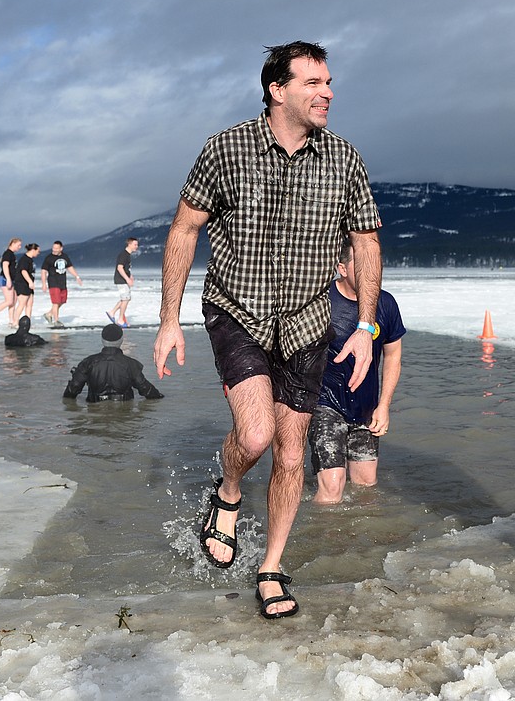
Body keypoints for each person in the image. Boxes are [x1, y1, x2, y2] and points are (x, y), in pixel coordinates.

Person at [154, 41, 382, 620]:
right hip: (239, 309)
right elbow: (184, 230)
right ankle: (227, 493)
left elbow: (367, 241)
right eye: (312, 82)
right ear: (277, 90)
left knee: (290, 453)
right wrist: (168, 319)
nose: (326, 91)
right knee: (254, 436)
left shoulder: (344, 159)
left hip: (307, 321)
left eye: (329, 82)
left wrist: (366, 326)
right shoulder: (225, 149)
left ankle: (271, 567)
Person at [308, 240, 405, 504]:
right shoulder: (322, 301)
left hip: (366, 408)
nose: (372, 270)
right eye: (362, 264)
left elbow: (393, 355)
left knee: (366, 487)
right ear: (342, 268)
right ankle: (322, 541)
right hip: (324, 403)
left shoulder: (385, 303)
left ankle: (361, 545)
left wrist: (383, 406)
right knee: (332, 488)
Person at [63, 323, 164, 402]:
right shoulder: (131, 364)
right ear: (121, 340)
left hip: (96, 413)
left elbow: (73, 390)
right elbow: (147, 390)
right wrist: (160, 396)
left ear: (102, 340)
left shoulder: (88, 362)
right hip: (124, 413)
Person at [40, 240, 83, 328]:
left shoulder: (65, 256)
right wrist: (43, 283)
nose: (54, 250)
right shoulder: (49, 258)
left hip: (62, 282)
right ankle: (56, 320)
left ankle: (49, 314)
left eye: (56, 248)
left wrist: (77, 276)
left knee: (62, 301)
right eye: (53, 248)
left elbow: (69, 267)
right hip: (53, 282)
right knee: (56, 302)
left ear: (61, 248)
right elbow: (43, 271)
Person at [0, 237, 22, 327]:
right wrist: (8, 279)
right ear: (13, 244)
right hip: (5, 280)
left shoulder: (12, 254)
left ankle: (11, 321)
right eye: (18, 245)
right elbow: (5, 266)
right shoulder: (8, 254)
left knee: (13, 301)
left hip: (12, 280)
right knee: (9, 301)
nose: (20, 247)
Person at [107, 237, 139, 326]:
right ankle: (120, 319)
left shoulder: (127, 255)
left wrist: (130, 276)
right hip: (121, 280)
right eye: (135, 244)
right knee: (125, 299)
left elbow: (126, 268)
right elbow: (119, 268)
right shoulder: (123, 255)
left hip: (123, 279)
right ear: (129, 244)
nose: (137, 246)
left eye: (137, 244)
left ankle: (112, 312)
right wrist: (127, 279)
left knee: (126, 298)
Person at [12, 243, 41, 322]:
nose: (39, 253)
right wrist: (30, 282)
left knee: (29, 304)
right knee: (22, 304)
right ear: (33, 250)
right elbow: (23, 271)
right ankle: (15, 322)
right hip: (22, 284)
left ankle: (27, 322)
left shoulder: (30, 260)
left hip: (28, 285)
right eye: (38, 251)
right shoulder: (24, 259)